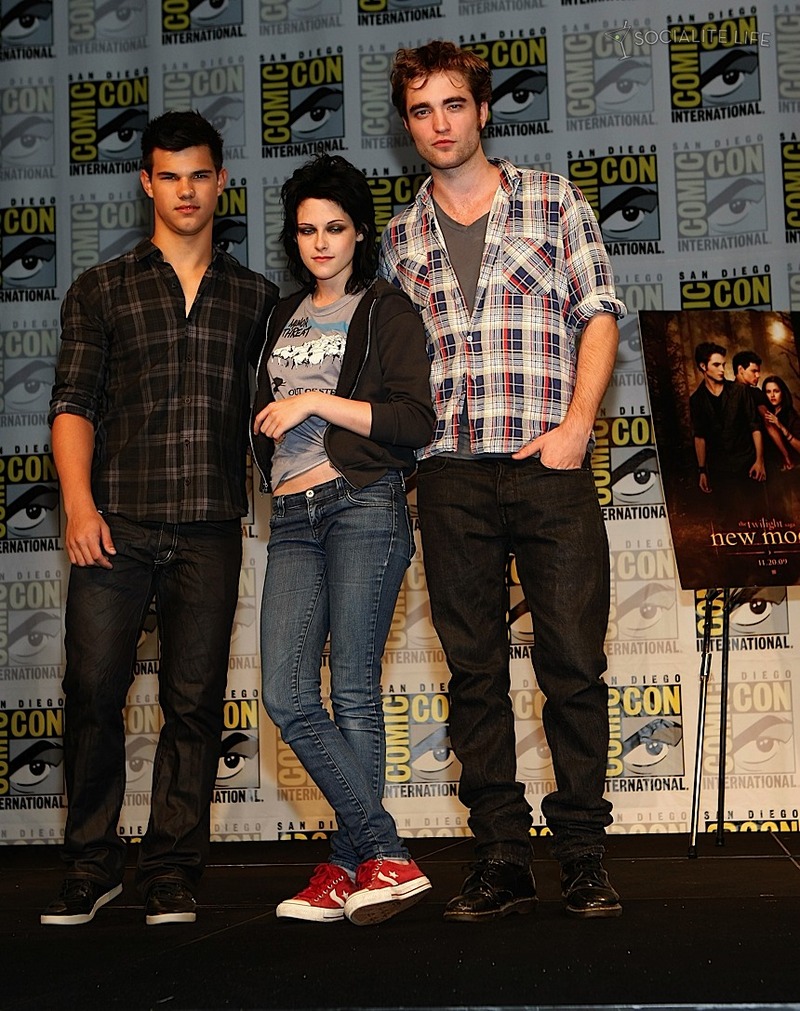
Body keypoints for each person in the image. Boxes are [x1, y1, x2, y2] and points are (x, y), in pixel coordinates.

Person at [380, 40, 626, 922]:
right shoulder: (399, 237)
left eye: (454, 104)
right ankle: (500, 855)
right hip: (450, 474)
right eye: (421, 110)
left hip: (548, 465)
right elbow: (395, 370)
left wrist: (577, 428)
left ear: (483, 110)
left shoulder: (555, 200)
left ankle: (584, 854)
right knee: (474, 673)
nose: (440, 123)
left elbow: (601, 315)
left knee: (574, 664)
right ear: (408, 125)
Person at [42, 110, 277, 927]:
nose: (186, 190)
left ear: (221, 182)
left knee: (194, 703)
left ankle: (172, 868)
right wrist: (78, 505)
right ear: (147, 182)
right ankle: (90, 863)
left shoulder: (256, 298)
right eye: (170, 176)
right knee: (91, 690)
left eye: (199, 175)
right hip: (116, 523)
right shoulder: (100, 288)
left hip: (210, 525)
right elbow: (72, 404)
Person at [252, 154, 435, 926]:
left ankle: (353, 861)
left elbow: (414, 421)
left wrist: (316, 401)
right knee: (286, 694)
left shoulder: (386, 308)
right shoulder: (280, 314)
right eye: (306, 230)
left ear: (360, 232)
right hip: (293, 517)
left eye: (334, 227)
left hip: (361, 503)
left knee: (352, 688)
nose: (320, 242)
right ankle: (375, 853)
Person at [690, 342, 765, 501]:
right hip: (720, 471)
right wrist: (702, 471)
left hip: (748, 464)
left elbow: (755, 426)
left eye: (723, 365)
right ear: (703, 366)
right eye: (716, 365)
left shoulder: (740, 390)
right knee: (728, 514)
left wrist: (759, 461)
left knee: (756, 511)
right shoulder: (696, 400)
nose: (722, 370)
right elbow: (700, 437)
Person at [733, 349, 791, 471]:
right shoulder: (754, 393)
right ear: (740, 370)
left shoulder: (726, 392)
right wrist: (785, 454)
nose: (758, 375)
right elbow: (769, 423)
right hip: (761, 456)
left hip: (738, 460)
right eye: (754, 371)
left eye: (758, 371)